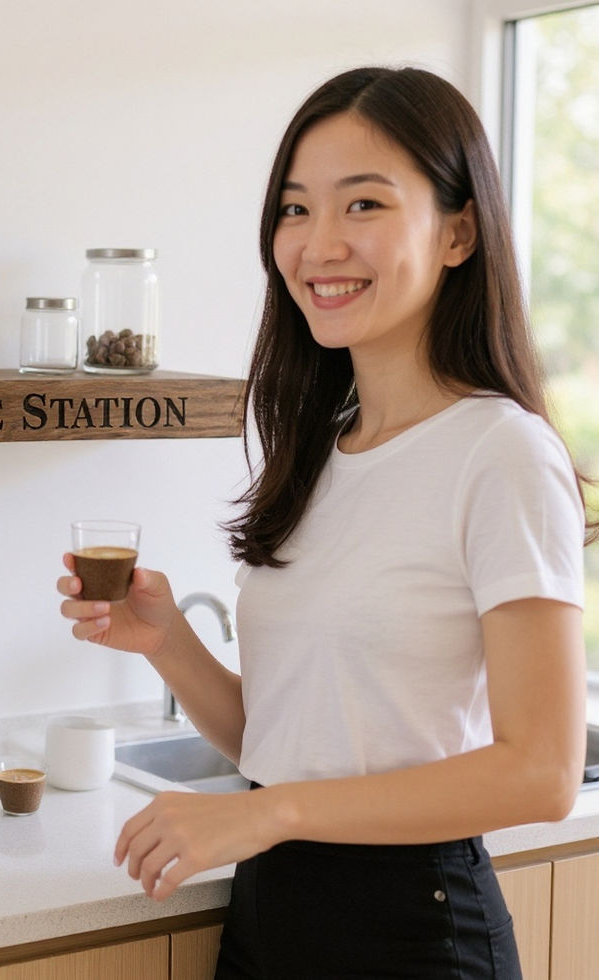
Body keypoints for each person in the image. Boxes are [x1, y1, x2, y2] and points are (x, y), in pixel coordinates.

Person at [58, 66, 596, 978]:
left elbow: (540, 772)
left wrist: (266, 814)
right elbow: (285, 744)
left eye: (364, 206)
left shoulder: (500, 453)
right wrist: (170, 643)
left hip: (414, 936)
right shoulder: (323, 451)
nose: (319, 245)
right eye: (296, 210)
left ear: (458, 233)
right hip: (273, 923)